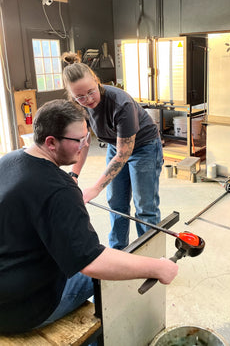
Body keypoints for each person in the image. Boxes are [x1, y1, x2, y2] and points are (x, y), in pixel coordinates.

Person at [0, 99, 178, 334]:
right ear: (51, 142)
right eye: (79, 140)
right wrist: (158, 268)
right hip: (21, 309)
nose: (86, 144)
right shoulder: (59, 190)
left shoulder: (8, 161)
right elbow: (92, 262)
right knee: (107, 276)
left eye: (87, 136)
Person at [62, 52, 164, 250]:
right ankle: (119, 251)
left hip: (143, 147)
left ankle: (150, 256)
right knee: (116, 203)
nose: (88, 99)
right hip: (115, 145)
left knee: (144, 207)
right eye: (80, 96)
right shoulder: (79, 106)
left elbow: (123, 155)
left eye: (91, 92)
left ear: (97, 81)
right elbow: (83, 141)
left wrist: (95, 187)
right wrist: (74, 174)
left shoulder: (120, 103)